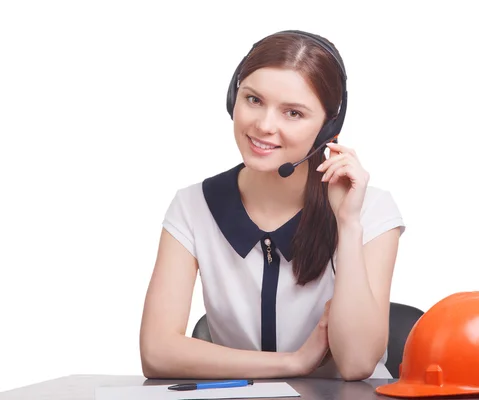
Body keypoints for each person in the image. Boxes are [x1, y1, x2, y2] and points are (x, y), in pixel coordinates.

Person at [139, 30, 406, 381]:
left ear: (329, 128)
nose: (264, 125)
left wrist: (348, 224)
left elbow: (357, 363)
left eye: (293, 113)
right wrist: (293, 363)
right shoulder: (193, 207)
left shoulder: (370, 209)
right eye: (253, 100)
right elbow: (157, 352)